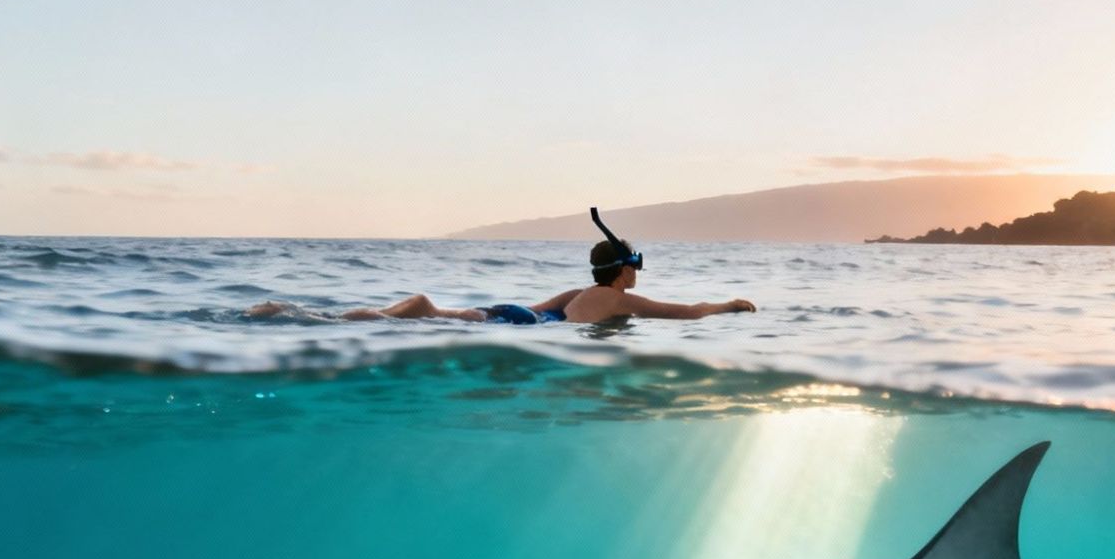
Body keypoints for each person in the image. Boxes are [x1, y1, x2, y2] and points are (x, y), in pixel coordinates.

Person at [251, 212, 755, 324]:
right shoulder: (619, 301)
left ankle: (290, 310)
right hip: (522, 323)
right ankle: (298, 314)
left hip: (512, 314)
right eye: (637, 263)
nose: (639, 272)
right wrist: (730, 304)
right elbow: (688, 313)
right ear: (625, 270)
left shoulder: (580, 292)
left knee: (425, 313)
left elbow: (540, 311)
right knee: (422, 314)